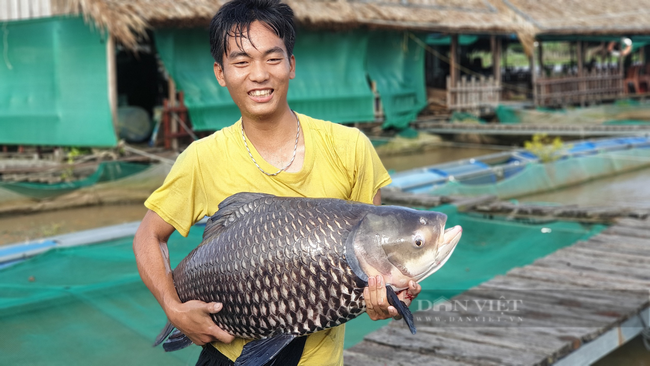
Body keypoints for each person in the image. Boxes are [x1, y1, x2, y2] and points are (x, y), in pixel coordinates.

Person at [132, 0, 421, 365]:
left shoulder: (351, 148)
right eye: (241, 61)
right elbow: (148, 235)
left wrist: (386, 301)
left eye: (272, 58)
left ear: (291, 65)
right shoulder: (200, 159)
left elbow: (373, 262)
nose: (259, 74)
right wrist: (173, 308)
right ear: (221, 73)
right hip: (226, 355)